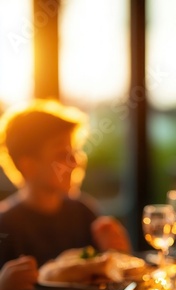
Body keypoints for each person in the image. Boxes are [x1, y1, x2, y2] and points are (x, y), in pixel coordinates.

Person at [0, 99, 132, 268]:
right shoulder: (6, 225)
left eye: (75, 151)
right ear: (29, 166)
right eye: (62, 155)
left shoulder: (83, 213)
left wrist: (119, 253)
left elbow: (110, 277)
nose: (75, 162)